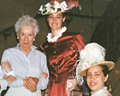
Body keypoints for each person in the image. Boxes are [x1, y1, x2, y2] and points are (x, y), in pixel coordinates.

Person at [39, 1, 89, 96]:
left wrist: (77, 79)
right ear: (47, 19)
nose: (54, 20)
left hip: (71, 86)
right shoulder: (44, 47)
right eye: (51, 17)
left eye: (58, 17)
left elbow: (87, 63)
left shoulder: (74, 38)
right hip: (52, 89)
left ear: (63, 19)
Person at [1, 15, 49, 96]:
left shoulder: (41, 56)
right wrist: (25, 82)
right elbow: (3, 79)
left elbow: (44, 83)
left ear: (34, 36)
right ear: (17, 35)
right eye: (23, 34)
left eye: (30, 35)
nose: (26, 39)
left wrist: (36, 81)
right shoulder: (9, 53)